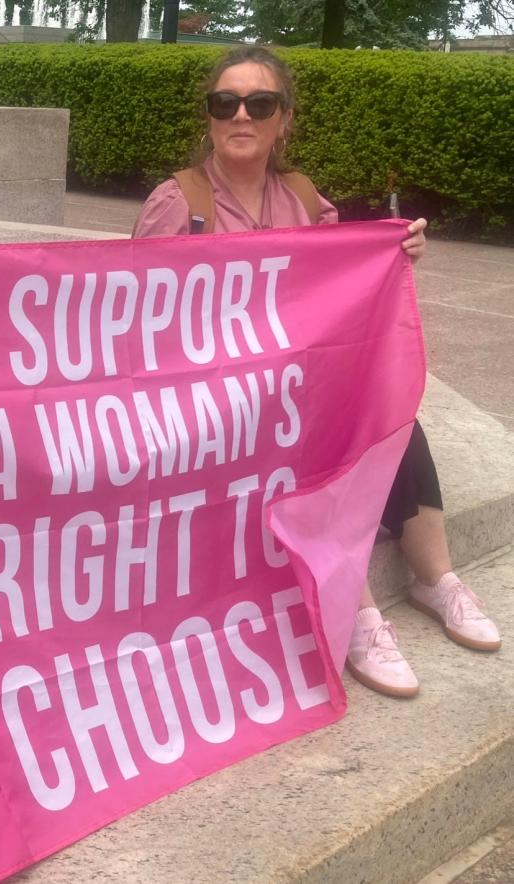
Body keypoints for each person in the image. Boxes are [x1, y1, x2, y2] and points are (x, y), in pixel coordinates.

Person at [133, 45, 500, 700]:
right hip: (215, 409)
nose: (240, 114)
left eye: (259, 103)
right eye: (226, 102)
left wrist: (395, 251)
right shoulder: (177, 202)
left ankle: (435, 579)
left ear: (284, 120)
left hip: (295, 384)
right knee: (309, 431)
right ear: (211, 117)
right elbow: (131, 315)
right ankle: (356, 610)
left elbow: (345, 275)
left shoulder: (301, 196)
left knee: (394, 414)